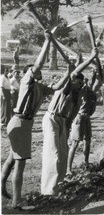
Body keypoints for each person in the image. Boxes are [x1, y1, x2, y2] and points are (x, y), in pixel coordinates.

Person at [1, 30, 51, 210]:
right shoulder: (26, 81)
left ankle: (1, 186)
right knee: (20, 165)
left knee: (11, 159)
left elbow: (60, 86)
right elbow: (38, 63)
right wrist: (47, 41)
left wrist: (71, 69)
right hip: (20, 123)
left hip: (21, 123)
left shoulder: (39, 87)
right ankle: (16, 201)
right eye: (36, 71)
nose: (40, 73)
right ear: (29, 73)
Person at [41, 48, 98, 196]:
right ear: (72, 81)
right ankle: (48, 190)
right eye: (77, 84)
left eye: (81, 84)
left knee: (63, 153)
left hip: (63, 122)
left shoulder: (78, 95)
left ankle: (59, 183)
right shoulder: (66, 88)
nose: (79, 86)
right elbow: (73, 73)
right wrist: (90, 58)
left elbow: (71, 115)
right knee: (53, 153)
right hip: (52, 118)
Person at [66, 83, 97, 176]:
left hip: (85, 117)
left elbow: (92, 109)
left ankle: (86, 163)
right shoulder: (82, 94)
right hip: (79, 117)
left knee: (88, 141)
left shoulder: (91, 94)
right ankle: (68, 169)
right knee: (75, 143)